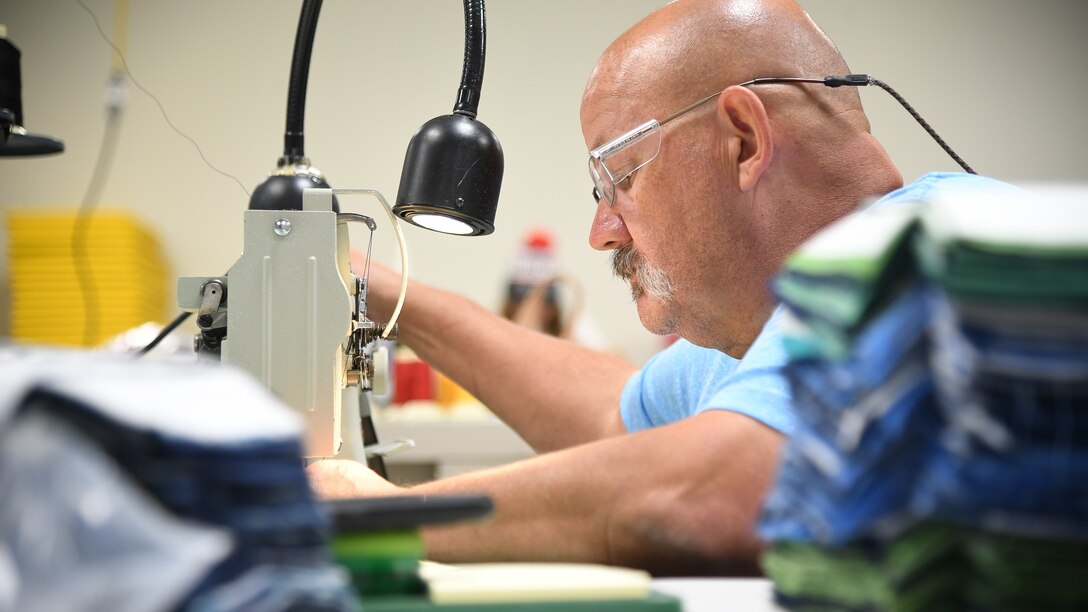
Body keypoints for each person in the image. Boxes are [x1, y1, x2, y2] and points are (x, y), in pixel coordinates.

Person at [308, 0, 1011, 575]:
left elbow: (712, 494)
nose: (603, 231)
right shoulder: (796, 318)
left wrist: (372, 512)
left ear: (743, 139)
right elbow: (619, 419)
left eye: (622, 178)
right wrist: (384, 292)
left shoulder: (933, 250)